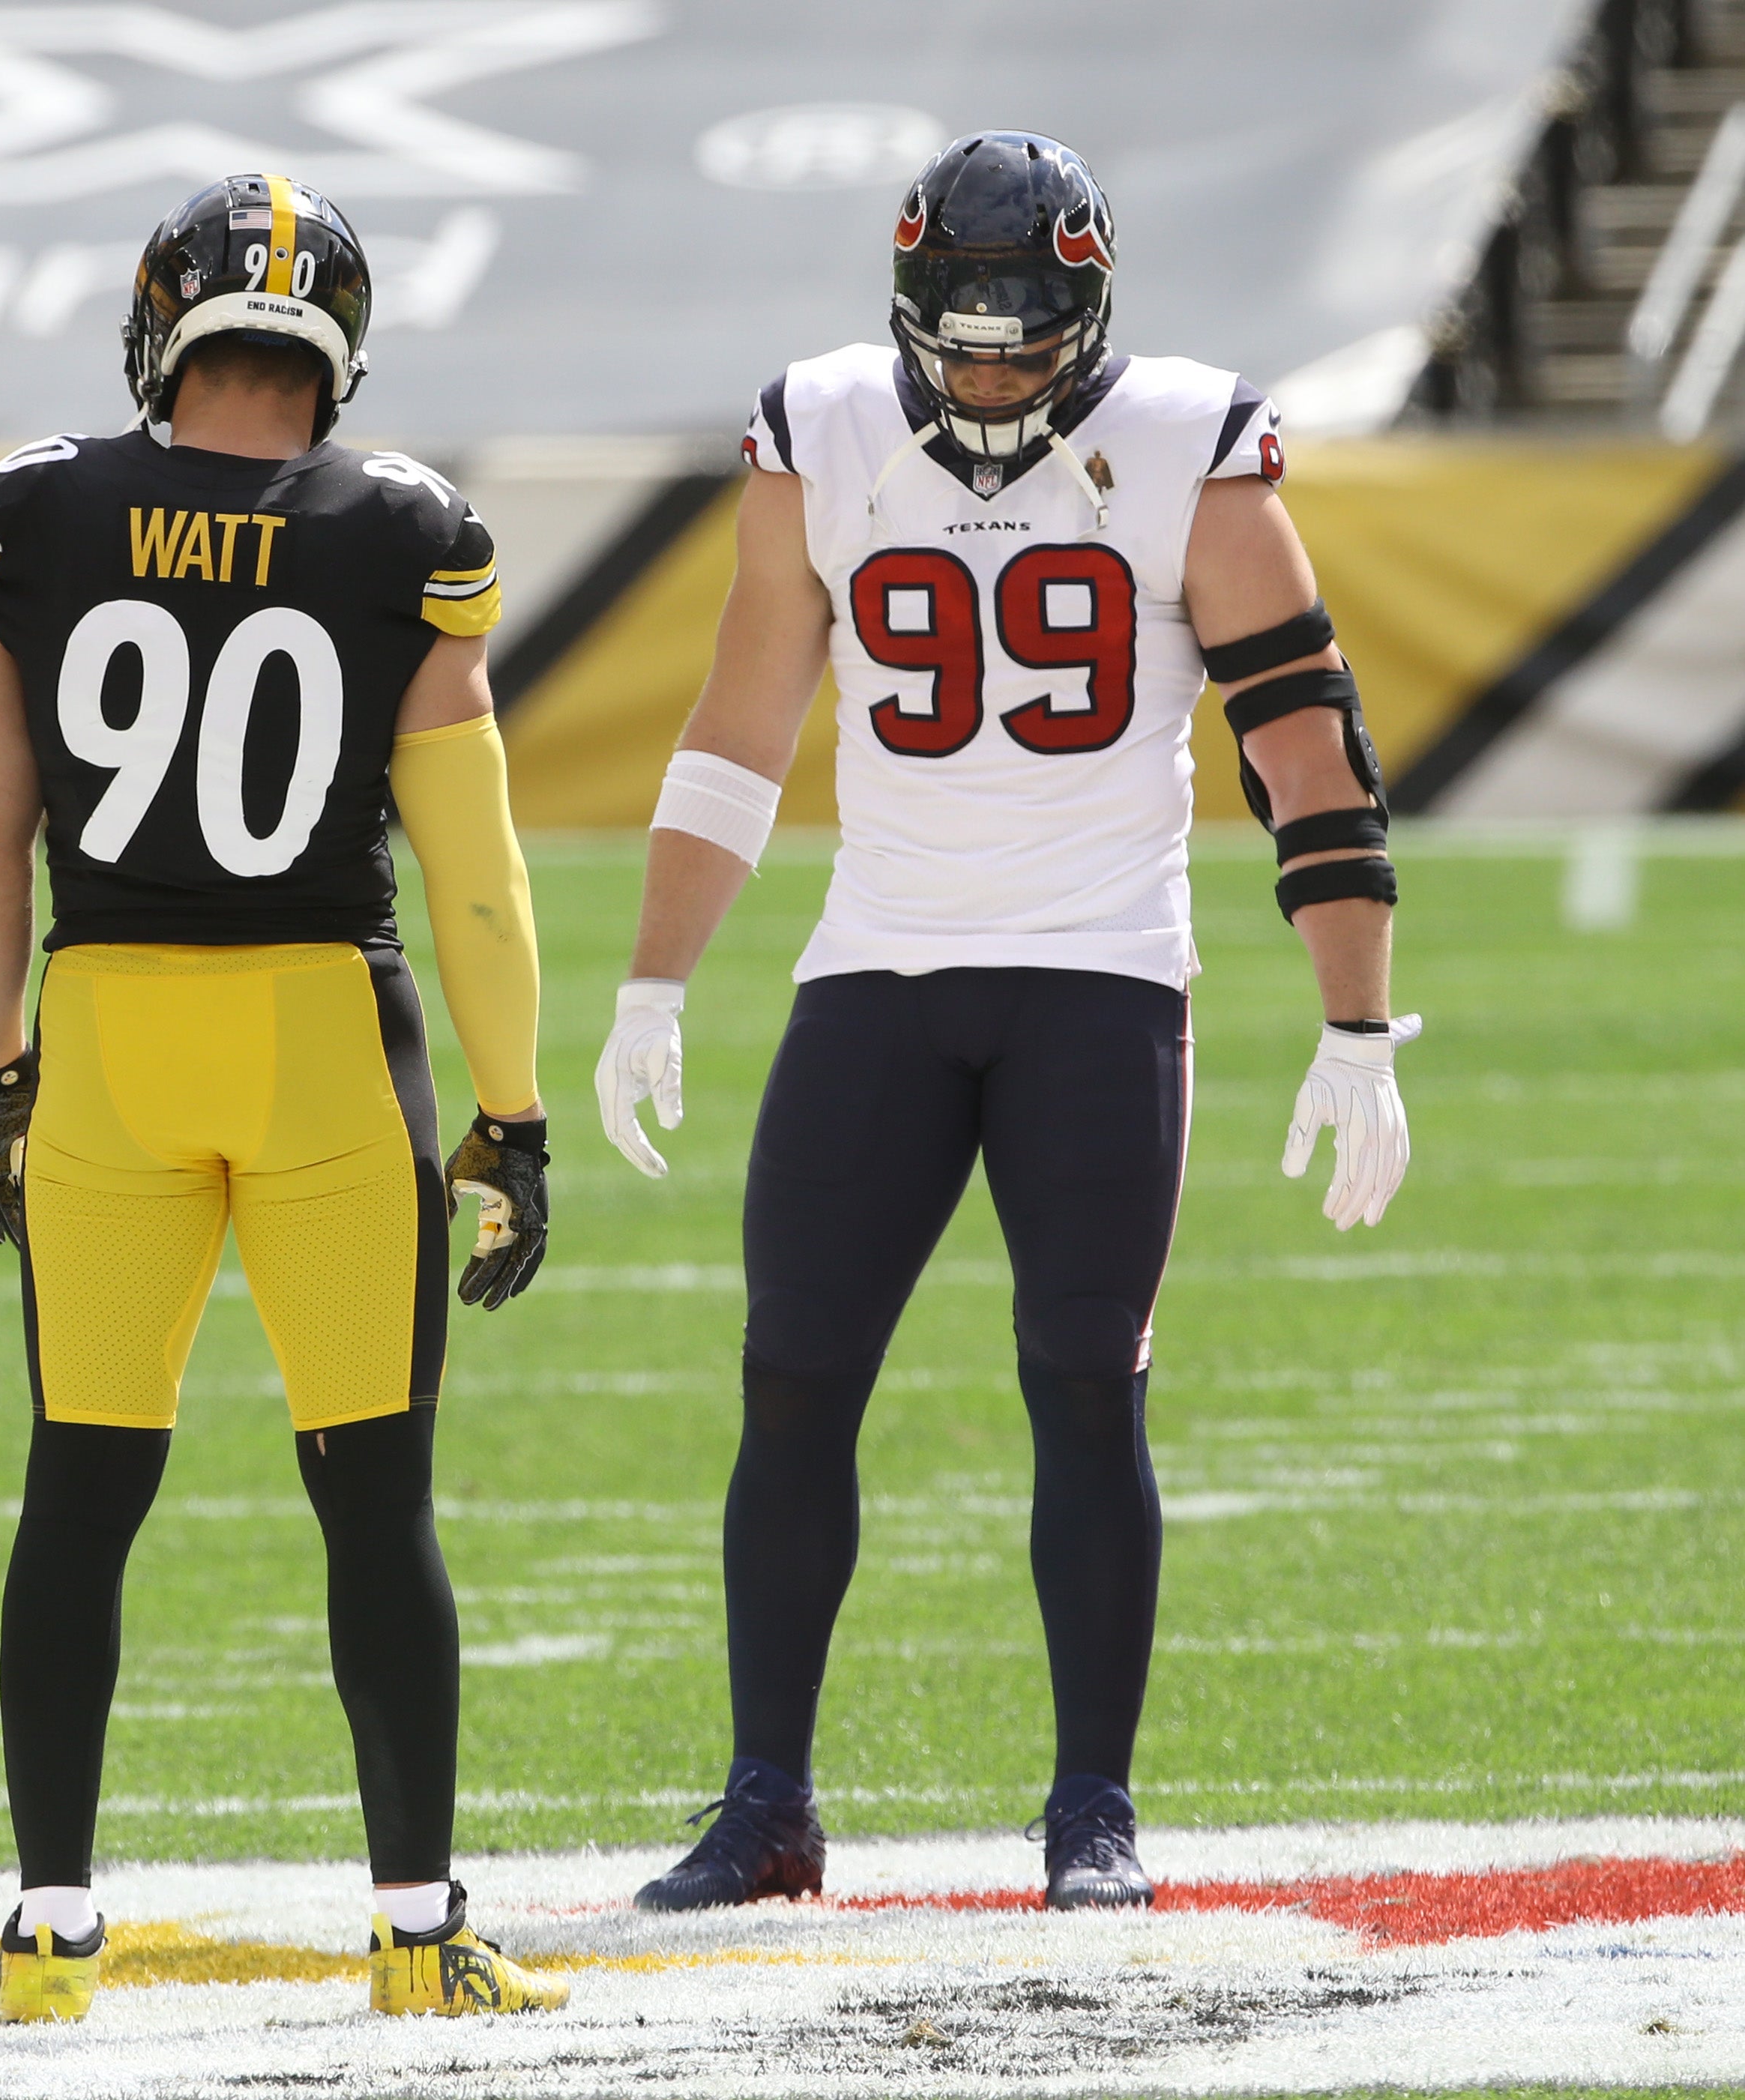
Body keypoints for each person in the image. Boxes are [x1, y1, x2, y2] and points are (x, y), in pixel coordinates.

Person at [593, 133, 1417, 1913]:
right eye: (956, 340)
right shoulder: (820, 428)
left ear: (1091, 312)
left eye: (1020, 341)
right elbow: (738, 728)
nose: (983, 374)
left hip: (1100, 972)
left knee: (1082, 1388)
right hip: (876, 964)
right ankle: (768, 1806)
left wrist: (1358, 1020)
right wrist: (657, 976)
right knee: (793, 1377)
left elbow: (1307, 749)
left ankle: (1093, 1809)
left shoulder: (1193, 444)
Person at [0, 173, 567, 2024]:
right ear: (336, 353)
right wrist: (512, 1115)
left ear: (169, 327)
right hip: (318, 1038)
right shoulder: (404, 530)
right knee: (376, 1500)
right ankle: (417, 1930)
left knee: (81, 1488)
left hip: (111, 1031)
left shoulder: (38, 511)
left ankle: (48, 1933)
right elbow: (478, 871)